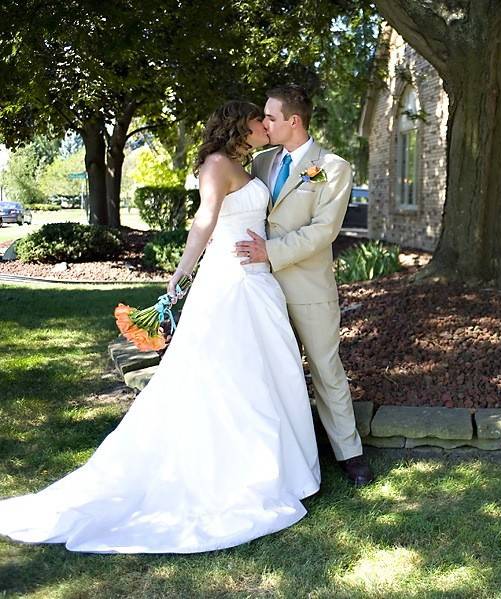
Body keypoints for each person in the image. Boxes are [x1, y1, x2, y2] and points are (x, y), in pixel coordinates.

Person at [0, 101, 321, 553]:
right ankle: (239, 473)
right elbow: (204, 222)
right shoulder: (216, 165)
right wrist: (178, 281)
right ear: (240, 125)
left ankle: (276, 467)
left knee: (268, 373)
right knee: (231, 378)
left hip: (258, 282)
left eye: (269, 120)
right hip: (229, 284)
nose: (265, 126)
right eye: (258, 120)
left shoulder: (249, 164)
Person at [234, 85, 373, 486]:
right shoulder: (260, 162)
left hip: (309, 287)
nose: (263, 123)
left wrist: (271, 252)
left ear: (293, 121)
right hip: (259, 287)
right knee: (273, 371)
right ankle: (284, 454)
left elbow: (323, 231)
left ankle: (350, 454)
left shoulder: (332, 166)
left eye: (271, 117)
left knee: (327, 371)